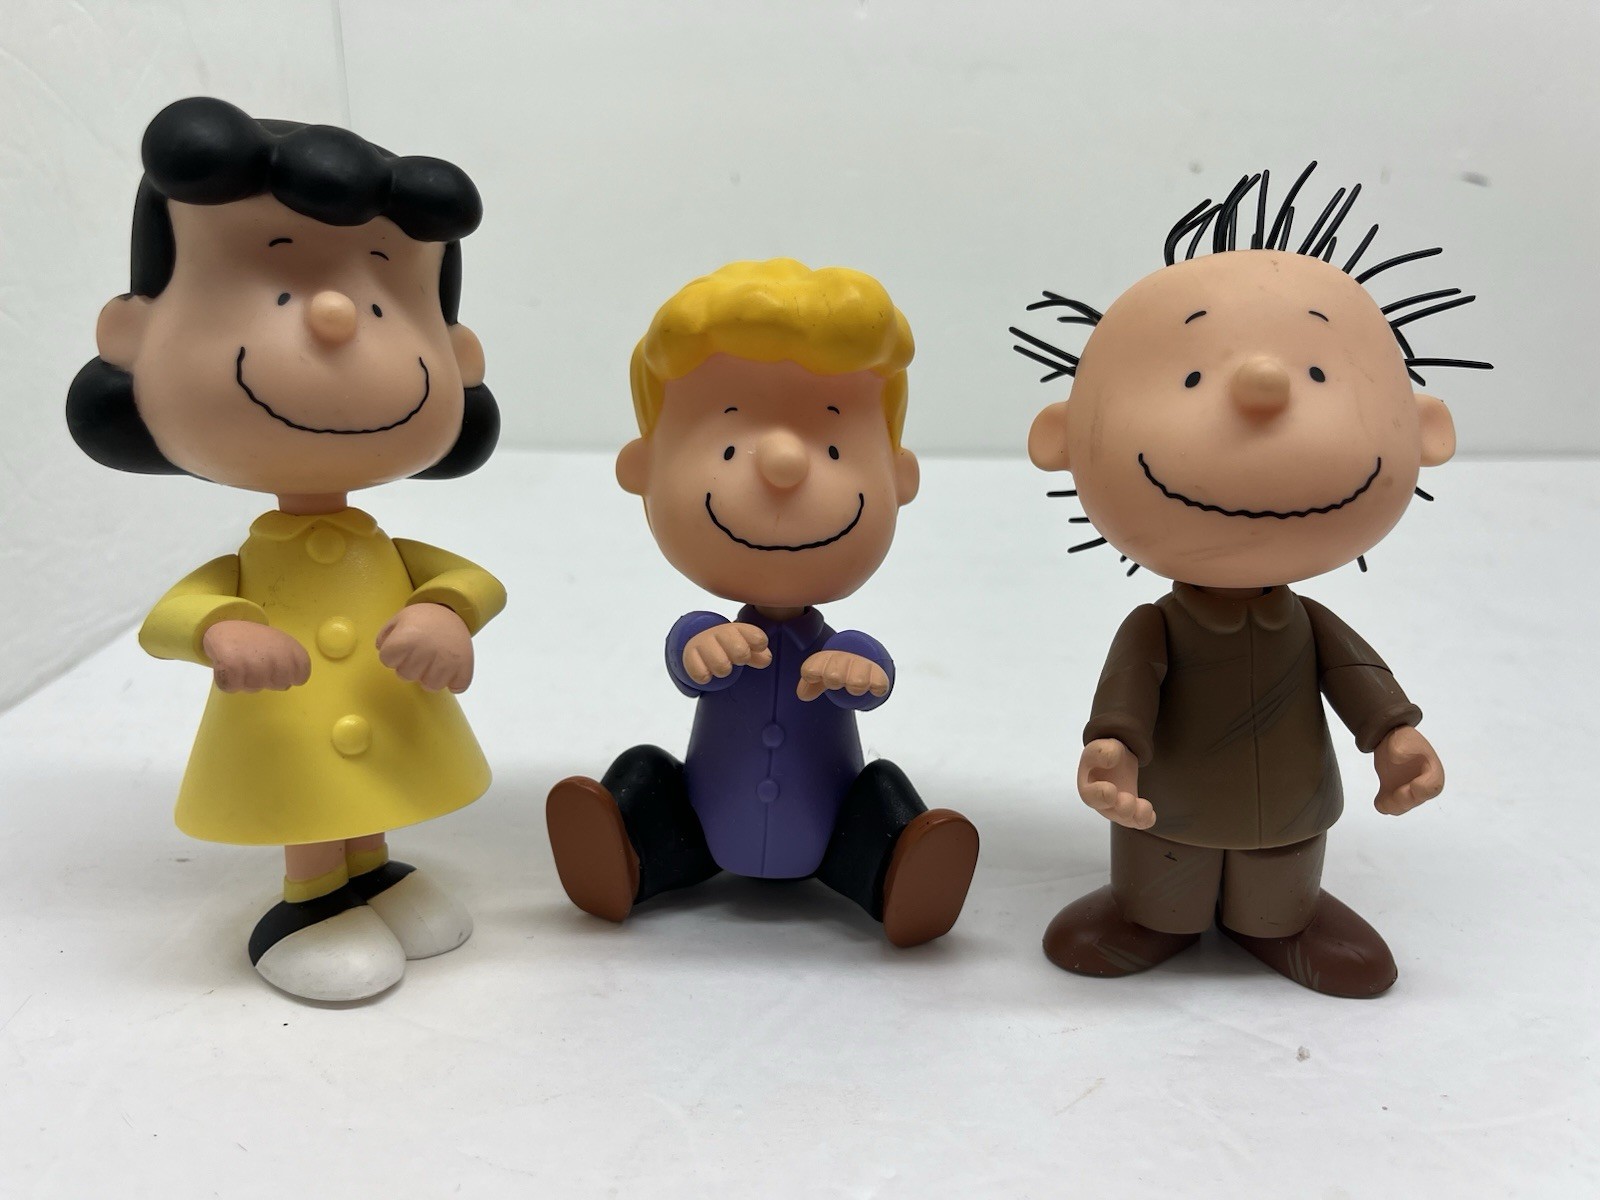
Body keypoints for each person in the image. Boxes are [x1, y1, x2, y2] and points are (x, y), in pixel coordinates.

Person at [67, 97, 505, 1001]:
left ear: (458, 355)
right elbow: (171, 616)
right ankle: (308, 903)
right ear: (134, 337)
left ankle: (371, 873)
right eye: (278, 287)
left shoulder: (384, 545)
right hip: (279, 719)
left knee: (365, 787)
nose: (338, 314)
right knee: (306, 793)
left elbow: (467, 580)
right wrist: (223, 629)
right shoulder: (248, 560)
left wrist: (444, 611)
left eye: (385, 295)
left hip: (385, 711)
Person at [1014, 165, 1488, 996]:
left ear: (1426, 431)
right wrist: (1111, 748)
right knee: (1161, 883)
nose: (1262, 387)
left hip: (1293, 806)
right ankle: (1149, 919)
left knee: (1279, 894)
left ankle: (1283, 925)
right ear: (1065, 439)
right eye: (1191, 378)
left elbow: (1355, 676)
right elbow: (1129, 690)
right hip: (1168, 807)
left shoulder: (1309, 623)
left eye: (1319, 375)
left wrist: (1395, 735)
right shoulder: (1157, 626)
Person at [547, 259, 978, 947]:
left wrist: (861, 672)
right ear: (642, 466)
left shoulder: (840, 648)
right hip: (701, 820)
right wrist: (697, 648)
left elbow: (872, 674)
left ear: (900, 477)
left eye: (833, 445)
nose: (784, 464)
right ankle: (623, 854)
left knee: (882, 791)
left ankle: (898, 873)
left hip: (829, 828)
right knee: (645, 771)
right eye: (727, 443)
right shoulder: (708, 633)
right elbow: (688, 657)